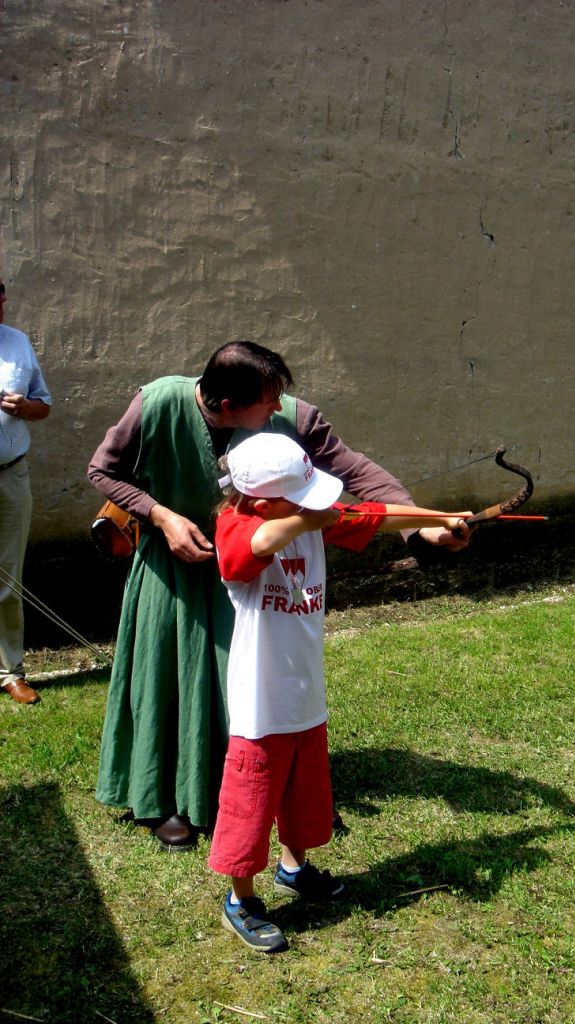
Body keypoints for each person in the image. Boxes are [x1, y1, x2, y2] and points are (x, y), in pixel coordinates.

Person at [88, 341, 468, 850]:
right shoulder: (156, 404)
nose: (278, 409)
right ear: (225, 407)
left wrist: (420, 528)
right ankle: (168, 799)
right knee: (171, 681)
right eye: (266, 402)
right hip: (173, 568)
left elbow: (354, 473)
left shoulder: (290, 417)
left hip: (258, 576)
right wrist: (161, 516)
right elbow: (102, 471)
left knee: (249, 692)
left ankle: (272, 800)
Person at [209, 432, 472, 952]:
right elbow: (248, 550)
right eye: (303, 499)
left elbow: (376, 515)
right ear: (264, 501)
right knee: (252, 801)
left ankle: (294, 867)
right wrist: (310, 519)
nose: (320, 506)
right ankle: (240, 899)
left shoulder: (310, 523)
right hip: (260, 705)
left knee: (305, 794)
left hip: (305, 694)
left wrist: (437, 523)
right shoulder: (237, 525)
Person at [0, 278, 52, 706]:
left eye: (0, 298)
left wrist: (24, 408)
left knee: (7, 576)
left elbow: (44, 404)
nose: (0, 305)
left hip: (9, 475)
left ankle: (10, 672)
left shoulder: (17, 342)